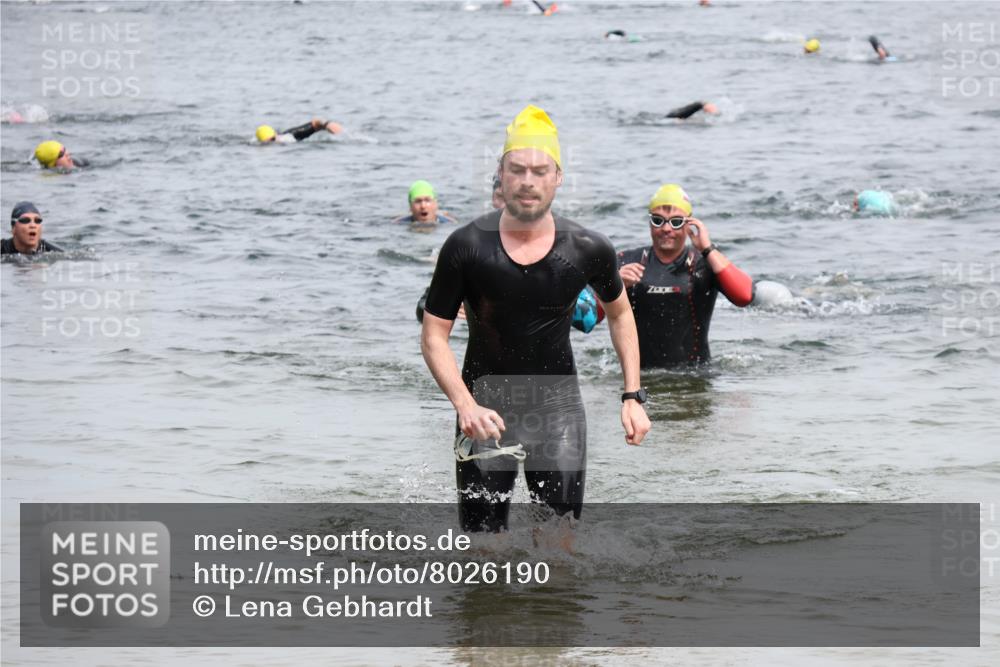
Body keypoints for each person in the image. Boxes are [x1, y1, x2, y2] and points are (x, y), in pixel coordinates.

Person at [421, 105, 650, 532]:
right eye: (518, 169)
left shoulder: (587, 247)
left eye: (540, 170)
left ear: (558, 177)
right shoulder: (466, 246)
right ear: (501, 173)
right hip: (484, 407)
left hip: (557, 408)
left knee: (559, 546)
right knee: (483, 551)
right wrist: (464, 404)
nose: (528, 181)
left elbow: (620, 314)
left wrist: (632, 396)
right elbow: (433, 334)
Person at [617, 184, 753, 368]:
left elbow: (745, 296)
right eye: (658, 220)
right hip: (640, 375)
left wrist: (707, 248)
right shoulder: (627, 262)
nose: (666, 228)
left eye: (676, 222)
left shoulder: (705, 263)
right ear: (649, 222)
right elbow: (589, 319)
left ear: (689, 224)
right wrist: (617, 286)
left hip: (695, 375)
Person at [391, 180, 458, 227]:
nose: (423, 206)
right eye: (418, 201)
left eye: (427, 200)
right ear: (410, 207)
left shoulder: (450, 223)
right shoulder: (399, 223)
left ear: (435, 204)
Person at [255, 118, 342, 144]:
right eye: (267, 142)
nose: (272, 143)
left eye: (273, 139)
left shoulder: (290, 136)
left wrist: (327, 124)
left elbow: (315, 122)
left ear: (276, 135)